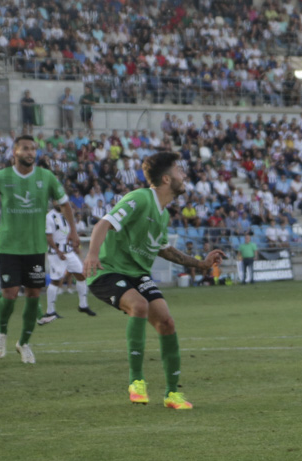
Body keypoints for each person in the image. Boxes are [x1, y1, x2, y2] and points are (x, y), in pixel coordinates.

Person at [84, 151, 225, 410]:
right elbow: (103, 223)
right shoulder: (139, 198)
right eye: (179, 171)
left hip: (137, 275)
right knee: (139, 306)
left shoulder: (162, 214)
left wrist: (202, 264)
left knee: (167, 322)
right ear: (166, 179)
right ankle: (136, 381)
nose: (183, 176)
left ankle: (172, 394)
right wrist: (92, 254)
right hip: (109, 271)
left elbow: (165, 250)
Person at [0, 135, 78, 364]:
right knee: (10, 294)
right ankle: (1, 332)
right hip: (8, 246)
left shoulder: (46, 177)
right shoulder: (2, 177)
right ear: (14, 152)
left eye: (33, 149)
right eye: (25, 148)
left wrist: (73, 230)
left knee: (34, 295)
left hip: (35, 247)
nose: (30, 152)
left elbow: (65, 204)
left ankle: (24, 343)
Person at [38, 207, 96, 324]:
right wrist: (58, 251)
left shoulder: (67, 214)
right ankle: (50, 311)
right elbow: (48, 237)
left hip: (69, 252)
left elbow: (69, 233)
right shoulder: (49, 217)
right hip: (56, 253)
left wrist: (74, 245)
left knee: (81, 275)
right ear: (53, 202)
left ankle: (83, 305)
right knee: (55, 280)